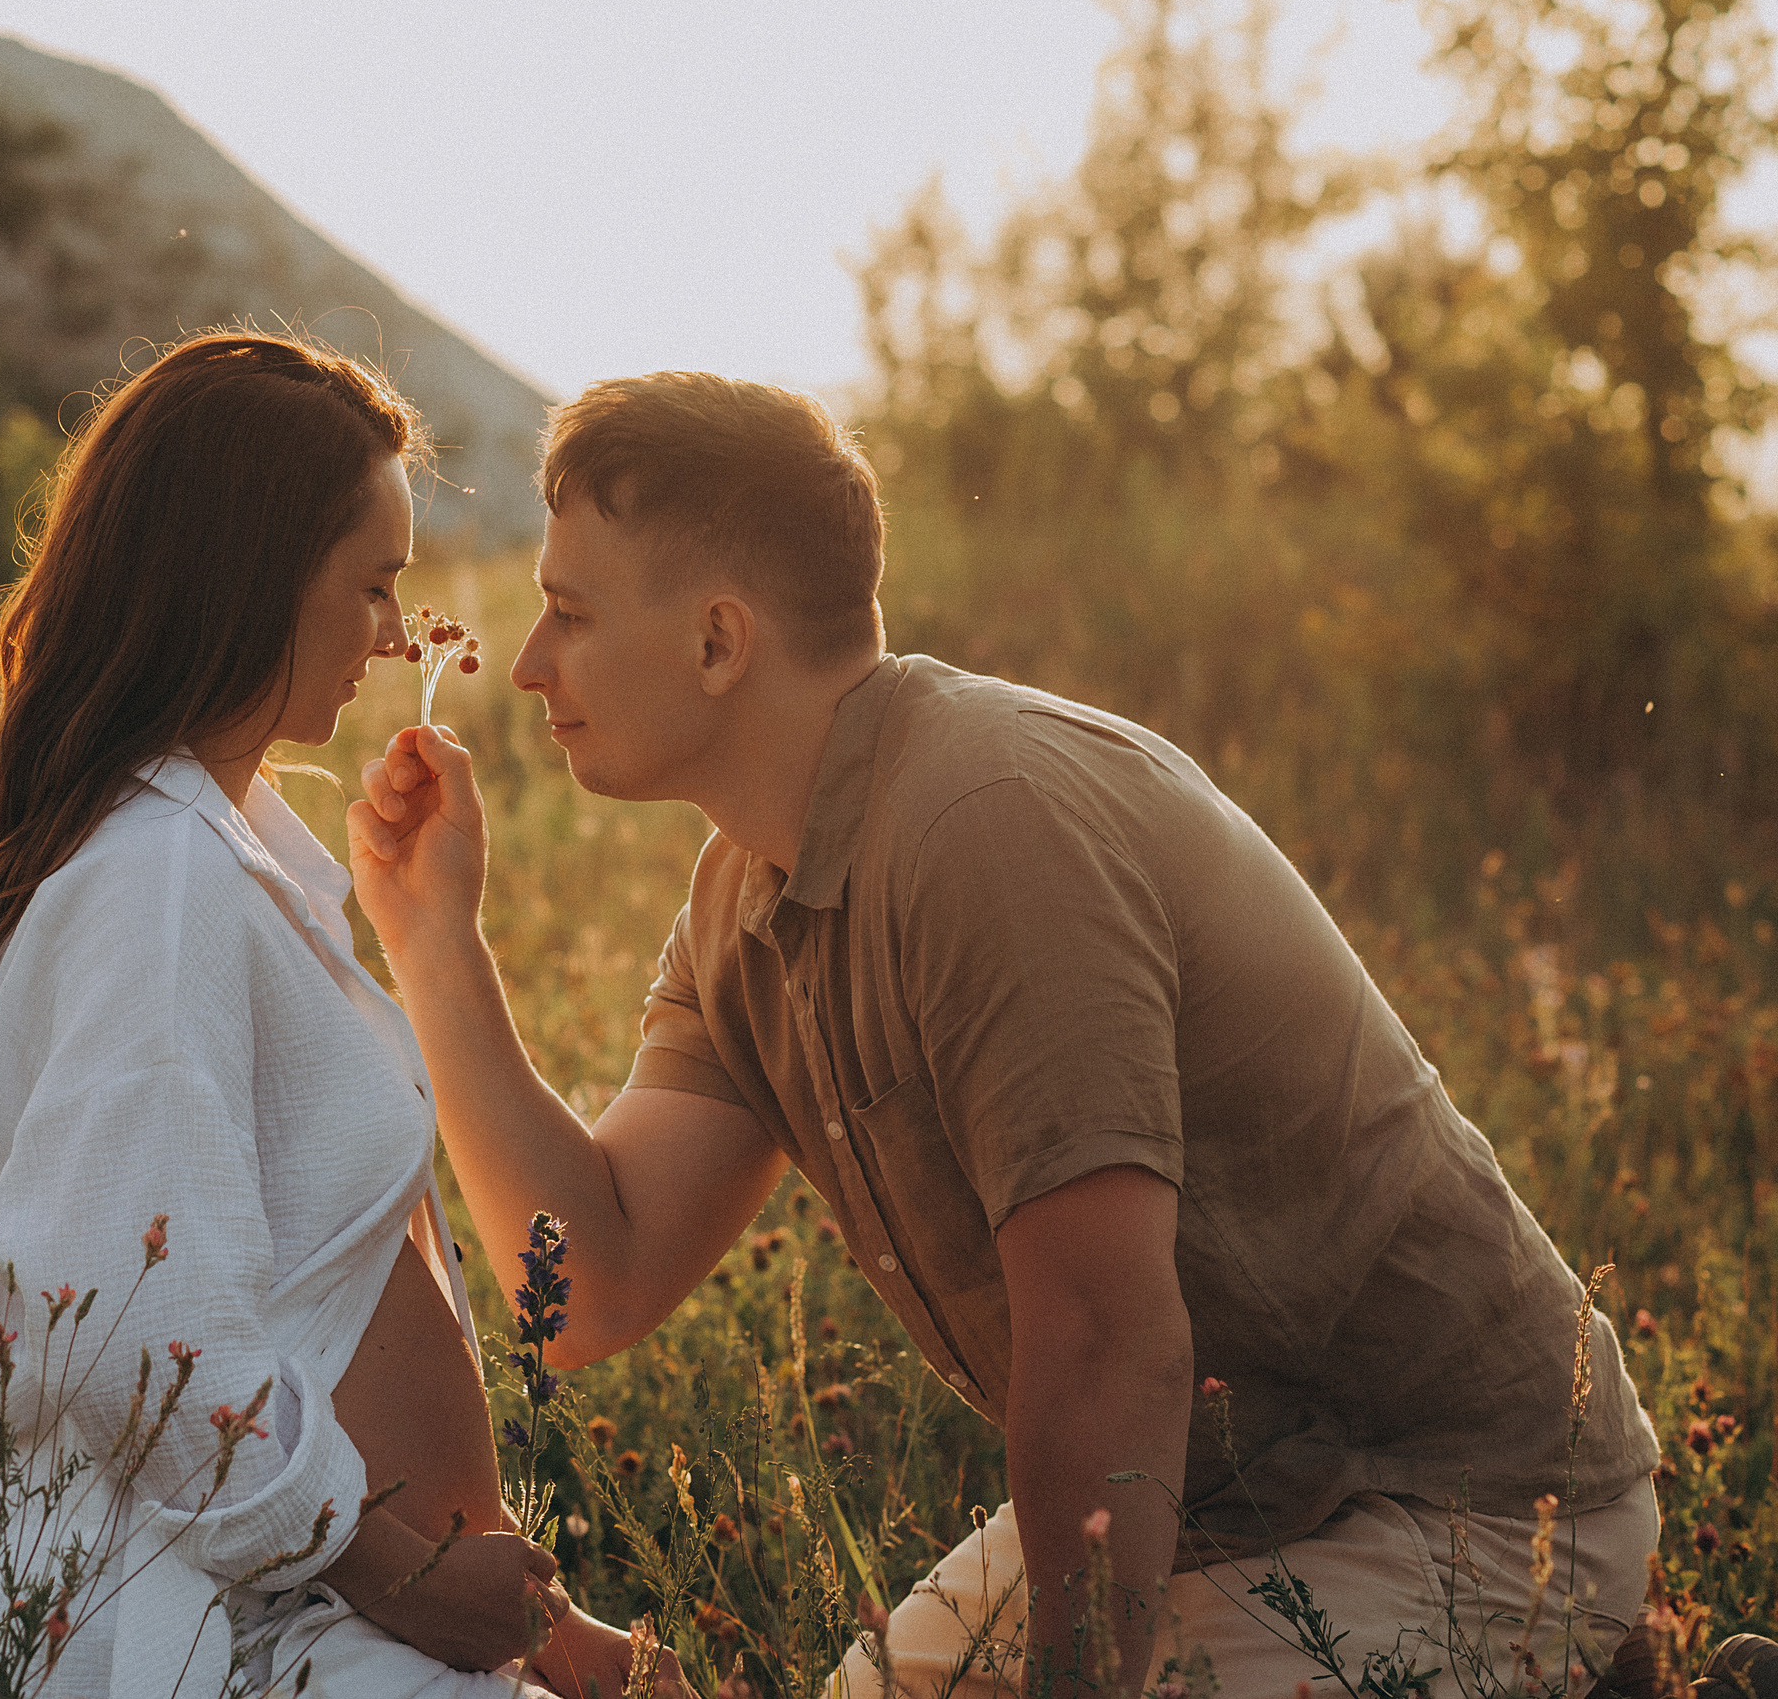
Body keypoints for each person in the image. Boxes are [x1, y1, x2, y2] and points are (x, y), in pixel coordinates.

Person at [349, 371, 1663, 1697]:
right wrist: (431, 941)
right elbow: (592, 1278)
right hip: (1220, 1509)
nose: (525, 664)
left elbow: (1108, 1340)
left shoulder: (991, 821)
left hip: (1465, 1507)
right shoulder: (741, 894)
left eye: (568, 613)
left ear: (716, 641)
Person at [0, 333, 679, 1699]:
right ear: (247, 577)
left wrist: (538, 1624)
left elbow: (312, 1300)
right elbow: (123, 1321)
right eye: (373, 586)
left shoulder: (226, 857)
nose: (398, 635)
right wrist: (391, 1566)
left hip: (317, 1606)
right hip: (214, 1632)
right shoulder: (156, 878)